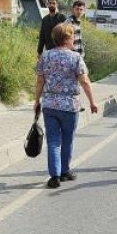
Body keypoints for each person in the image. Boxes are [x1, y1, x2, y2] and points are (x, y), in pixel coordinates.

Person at [34, 22, 98, 187]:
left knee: (53, 140)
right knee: (67, 139)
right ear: (67, 38)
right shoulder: (76, 58)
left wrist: (36, 101)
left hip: (50, 104)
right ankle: (65, 171)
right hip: (70, 105)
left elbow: (40, 80)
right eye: (72, 37)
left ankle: (54, 176)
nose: (74, 41)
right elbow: (84, 81)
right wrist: (92, 102)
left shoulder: (45, 56)